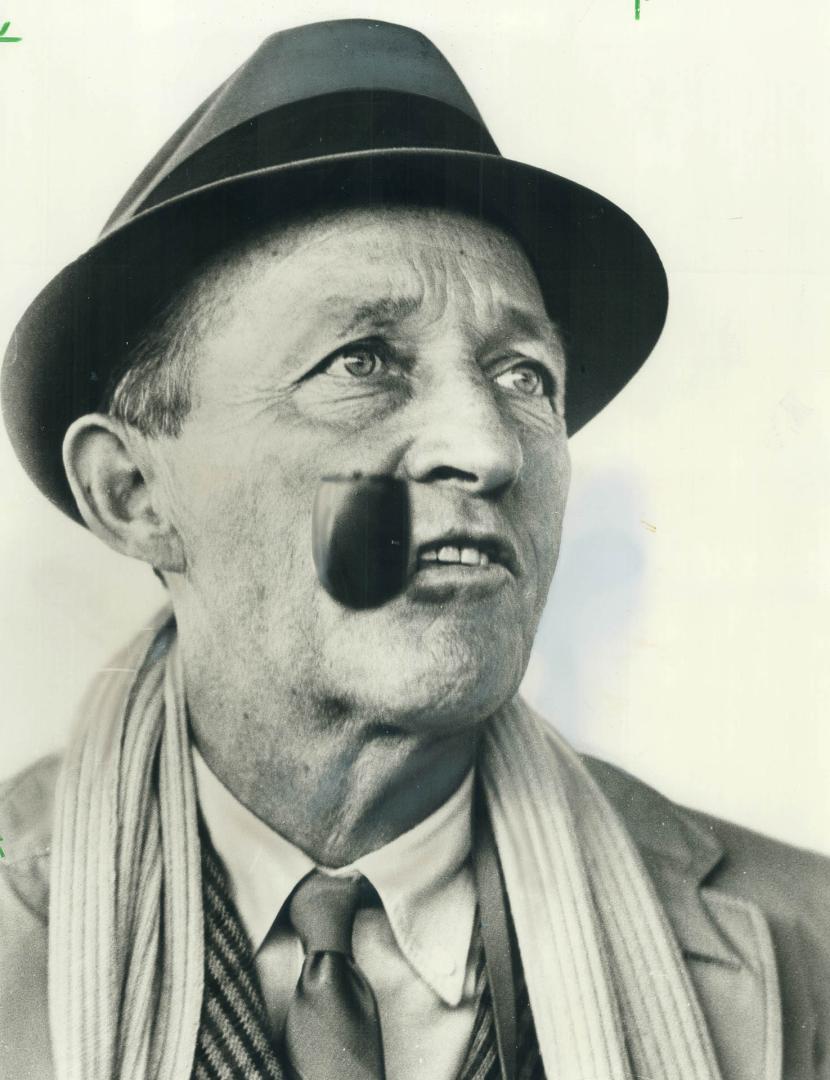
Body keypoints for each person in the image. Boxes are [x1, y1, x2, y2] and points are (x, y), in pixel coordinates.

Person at [0, 18, 827, 1080]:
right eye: (362, 361)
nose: (485, 449)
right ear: (133, 494)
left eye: (524, 376)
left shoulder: (798, 957)